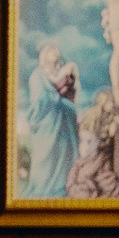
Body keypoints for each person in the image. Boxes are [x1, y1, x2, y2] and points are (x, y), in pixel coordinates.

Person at [22, 40, 80, 197]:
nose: (56, 54)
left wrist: (67, 93)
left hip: (63, 123)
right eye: (52, 51)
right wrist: (58, 98)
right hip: (47, 123)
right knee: (45, 156)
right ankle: (44, 187)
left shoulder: (62, 72)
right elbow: (40, 100)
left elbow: (69, 94)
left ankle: (64, 184)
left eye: (56, 52)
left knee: (64, 153)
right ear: (45, 56)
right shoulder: (38, 75)